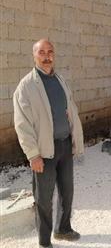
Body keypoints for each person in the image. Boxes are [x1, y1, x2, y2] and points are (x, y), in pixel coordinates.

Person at [13, 39, 84, 248]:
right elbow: (22, 124)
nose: (47, 56)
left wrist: (75, 140)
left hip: (64, 145)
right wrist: (33, 155)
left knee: (67, 191)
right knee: (44, 197)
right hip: (43, 151)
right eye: (42, 52)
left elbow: (70, 110)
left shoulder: (60, 80)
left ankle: (63, 229)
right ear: (34, 55)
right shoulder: (26, 86)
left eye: (50, 52)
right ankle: (44, 241)